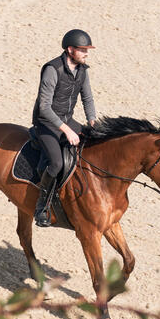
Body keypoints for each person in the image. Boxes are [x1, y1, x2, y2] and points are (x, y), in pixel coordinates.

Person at [31, 29, 97, 227]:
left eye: (87, 50)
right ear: (70, 50)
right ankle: (41, 206)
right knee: (57, 163)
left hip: (67, 119)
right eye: (83, 50)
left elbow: (87, 98)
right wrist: (66, 130)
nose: (86, 53)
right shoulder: (53, 69)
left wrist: (92, 120)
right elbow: (44, 108)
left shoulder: (83, 70)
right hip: (46, 123)